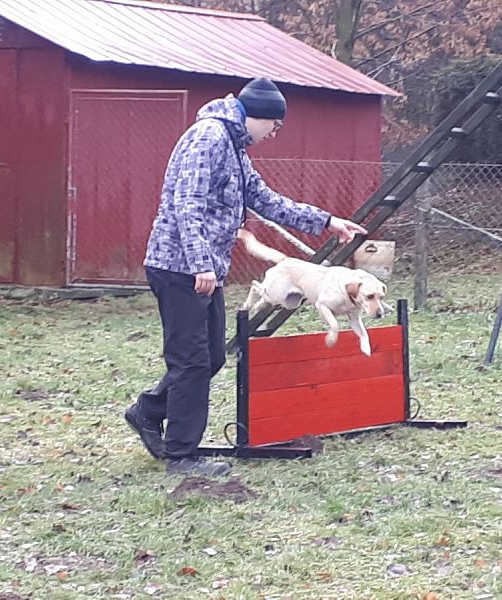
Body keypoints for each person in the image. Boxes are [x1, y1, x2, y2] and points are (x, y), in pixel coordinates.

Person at [125, 77, 367, 477]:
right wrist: (201, 262)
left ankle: (148, 411)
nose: (275, 134)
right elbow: (187, 203)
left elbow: (266, 200)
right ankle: (182, 457)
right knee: (191, 362)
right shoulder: (208, 138)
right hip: (179, 266)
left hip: (203, 268)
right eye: (274, 126)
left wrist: (326, 221)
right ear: (258, 115)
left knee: (214, 356)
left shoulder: (235, 148)